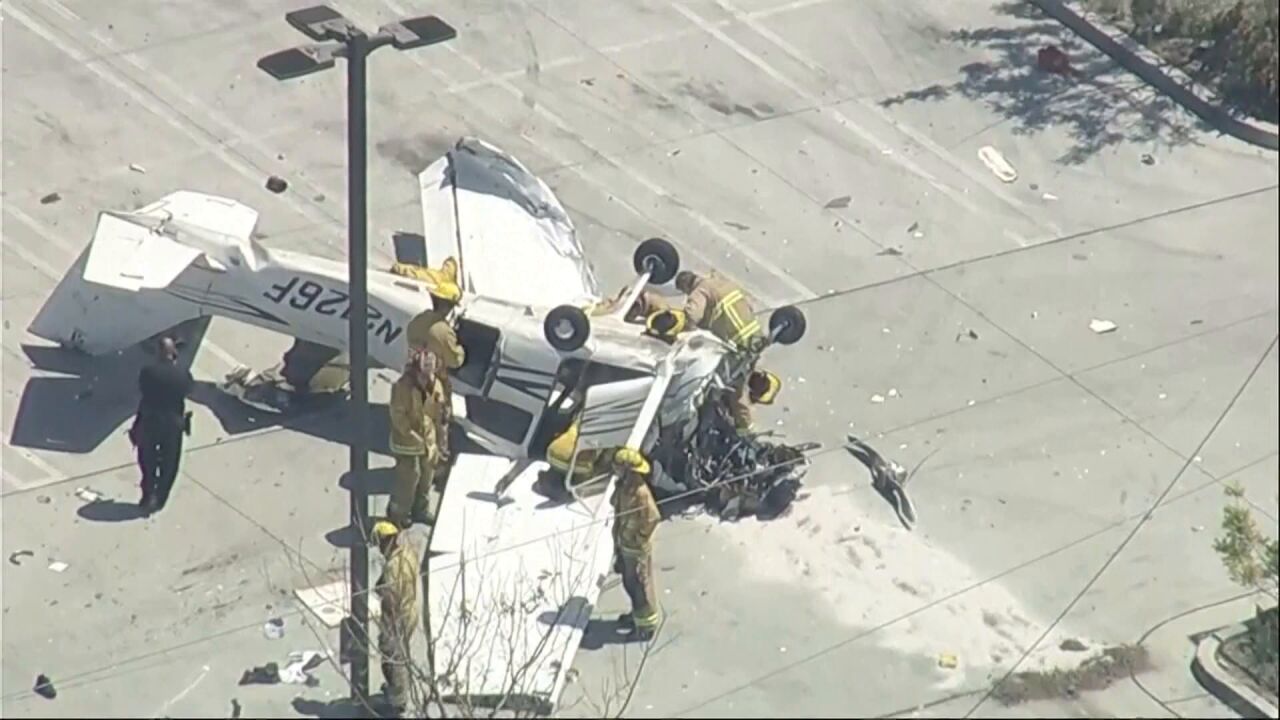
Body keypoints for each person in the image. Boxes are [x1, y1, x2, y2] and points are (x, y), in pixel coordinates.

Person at [648, 270, 768, 431]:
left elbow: (692, 316)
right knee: (745, 373)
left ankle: (744, 428)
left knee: (731, 388)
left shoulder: (699, 292)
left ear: (686, 287)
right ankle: (750, 403)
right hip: (754, 336)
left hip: (739, 346)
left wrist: (680, 332)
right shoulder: (723, 282)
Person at [129, 336, 193, 514]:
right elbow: (188, 389)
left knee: (147, 457)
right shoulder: (182, 374)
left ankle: (148, 493)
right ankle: (161, 496)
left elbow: (143, 389)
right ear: (174, 353)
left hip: (151, 420)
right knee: (170, 461)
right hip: (173, 423)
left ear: (158, 353)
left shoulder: (148, 372)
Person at [388, 350, 447, 528]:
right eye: (425, 371)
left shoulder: (436, 384)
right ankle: (398, 513)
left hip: (427, 440)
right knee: (409, 477)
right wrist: (411, 435)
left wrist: (441, 442)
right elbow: (398, 415)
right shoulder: (402, 387)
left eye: (431, 369)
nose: (428, 375)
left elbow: (439, 414)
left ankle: (420, 510)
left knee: (427, 476)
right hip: (406, 442)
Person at [610, 448, 662, 642]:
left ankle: (646, 625)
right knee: (629, 583)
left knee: (640, 586)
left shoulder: (640, 492)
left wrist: (638, 537)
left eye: (618, 467)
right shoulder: (625, 487)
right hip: (624, 543)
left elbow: (653, 517)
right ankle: (636, 616)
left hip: (636, 548)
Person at [372, 520, 419, 718]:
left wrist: (387, 628)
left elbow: (391, 597)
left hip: (397, 618)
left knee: (392, 660)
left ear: (385, 541)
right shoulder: (407, 554)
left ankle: (397, 704)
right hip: (411, 611)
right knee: (402, 656)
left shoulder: (392, 567)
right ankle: (397, 693)